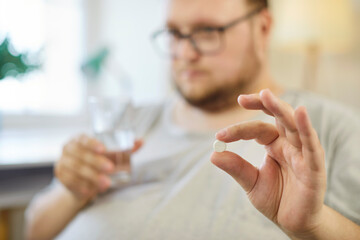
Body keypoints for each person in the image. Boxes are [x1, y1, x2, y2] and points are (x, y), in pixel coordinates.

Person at [25, 0, 360, 239]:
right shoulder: (127, 124)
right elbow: (33, 231)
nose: (185, 53)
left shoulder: (324, 129)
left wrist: (313, 226)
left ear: (263, 27)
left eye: (207, 31)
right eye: (174, 33)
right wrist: (72, 190)